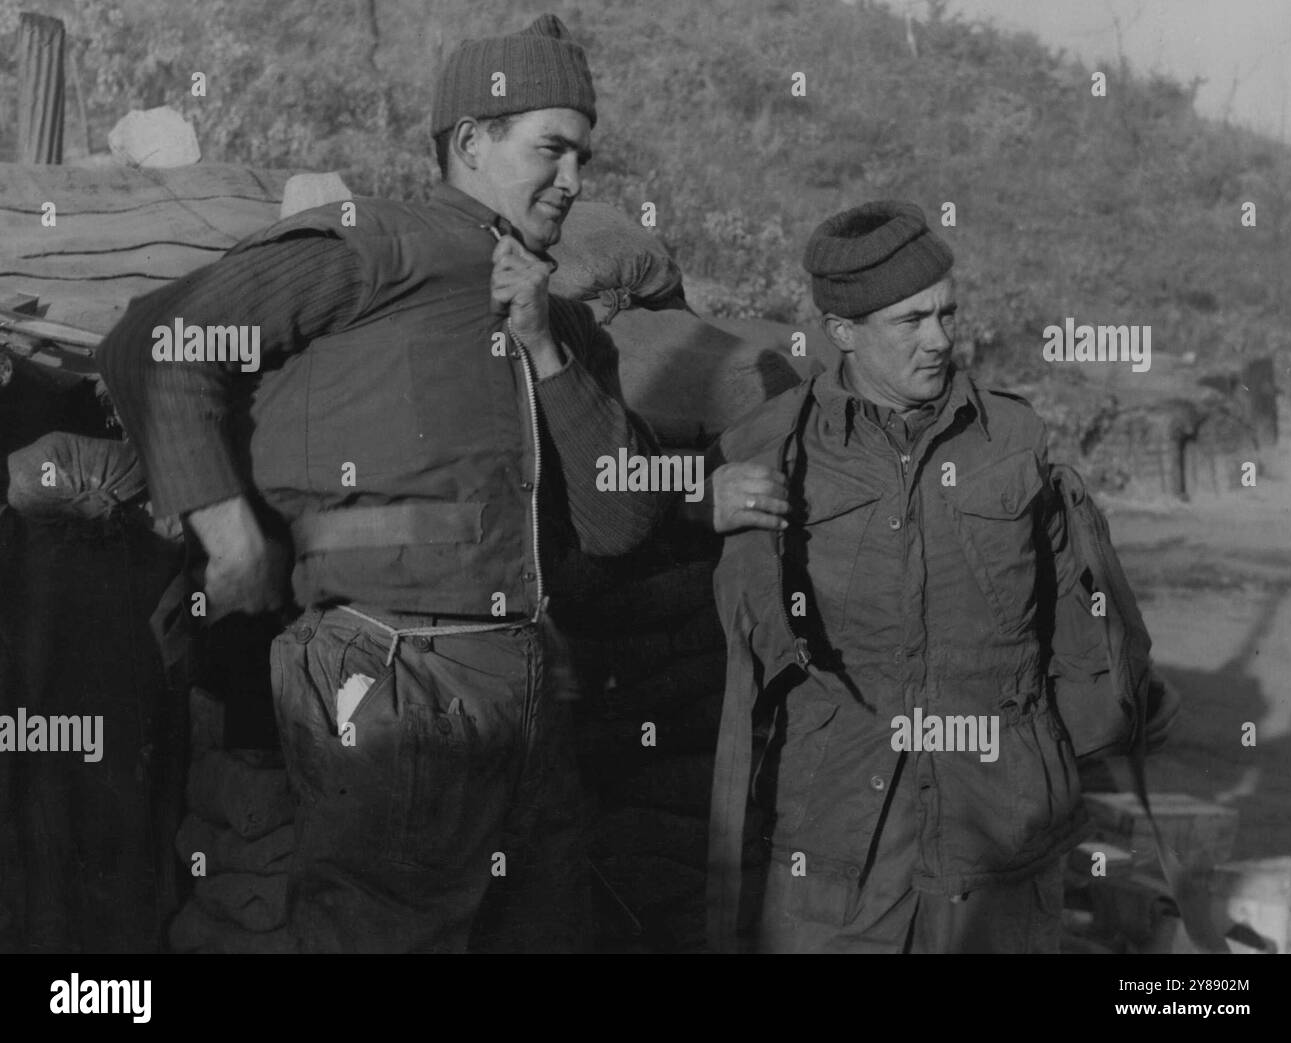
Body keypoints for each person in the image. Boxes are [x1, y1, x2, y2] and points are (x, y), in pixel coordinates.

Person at [98, 13, 673, 953]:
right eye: (552, 150)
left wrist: (544, 344)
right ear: (472, 141)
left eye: (585, 159)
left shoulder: (563, 319)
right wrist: (230, 531)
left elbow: (621, 519)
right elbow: (156, 344)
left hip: (528, 687)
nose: (573, 181)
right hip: (393, 680)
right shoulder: (379, 250)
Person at [703, 201, 1178, 953]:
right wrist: (702, 506)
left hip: (999, 839)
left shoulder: (1015, 440)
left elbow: (1078, 622)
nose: (940, 339)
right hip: (840, 847)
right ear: (843, 333)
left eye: (946, 313)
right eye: (911, 320)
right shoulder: (771, 450)